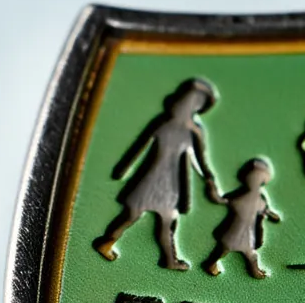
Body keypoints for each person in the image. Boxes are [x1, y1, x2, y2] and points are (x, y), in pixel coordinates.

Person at [94, 78, 223, 270]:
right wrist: (123, 168)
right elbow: (140, 145)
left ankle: (169, 259)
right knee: (133, 213)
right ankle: (107, 242)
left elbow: (197, 159)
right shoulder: (162, 122)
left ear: (199, 107)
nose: (190, 103)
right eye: (189, 98)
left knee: (166, 221)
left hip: (171, 183)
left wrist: (208, 178)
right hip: (150, 177)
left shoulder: (194, 131)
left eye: (197, 101)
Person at [203, 158, 280, 279]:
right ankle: (210, 264)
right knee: (225, 248)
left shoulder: (259, 200)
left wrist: (272, 216)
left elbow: (266, 211)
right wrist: (211, 188)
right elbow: (219, 199)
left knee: (249, 253)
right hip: (234, 229)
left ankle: (254, 270)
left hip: (248, 232)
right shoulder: (239, 196)